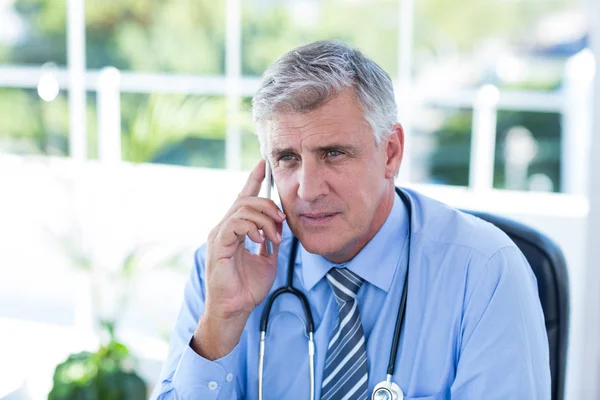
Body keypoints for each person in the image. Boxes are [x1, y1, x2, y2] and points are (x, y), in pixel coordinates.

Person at [150, 40, 550, 400]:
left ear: (390, 152)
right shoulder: (225, 271)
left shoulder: (485, 272)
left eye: (333, 154)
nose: (307, 190)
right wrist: (221, 321)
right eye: (287, 158)